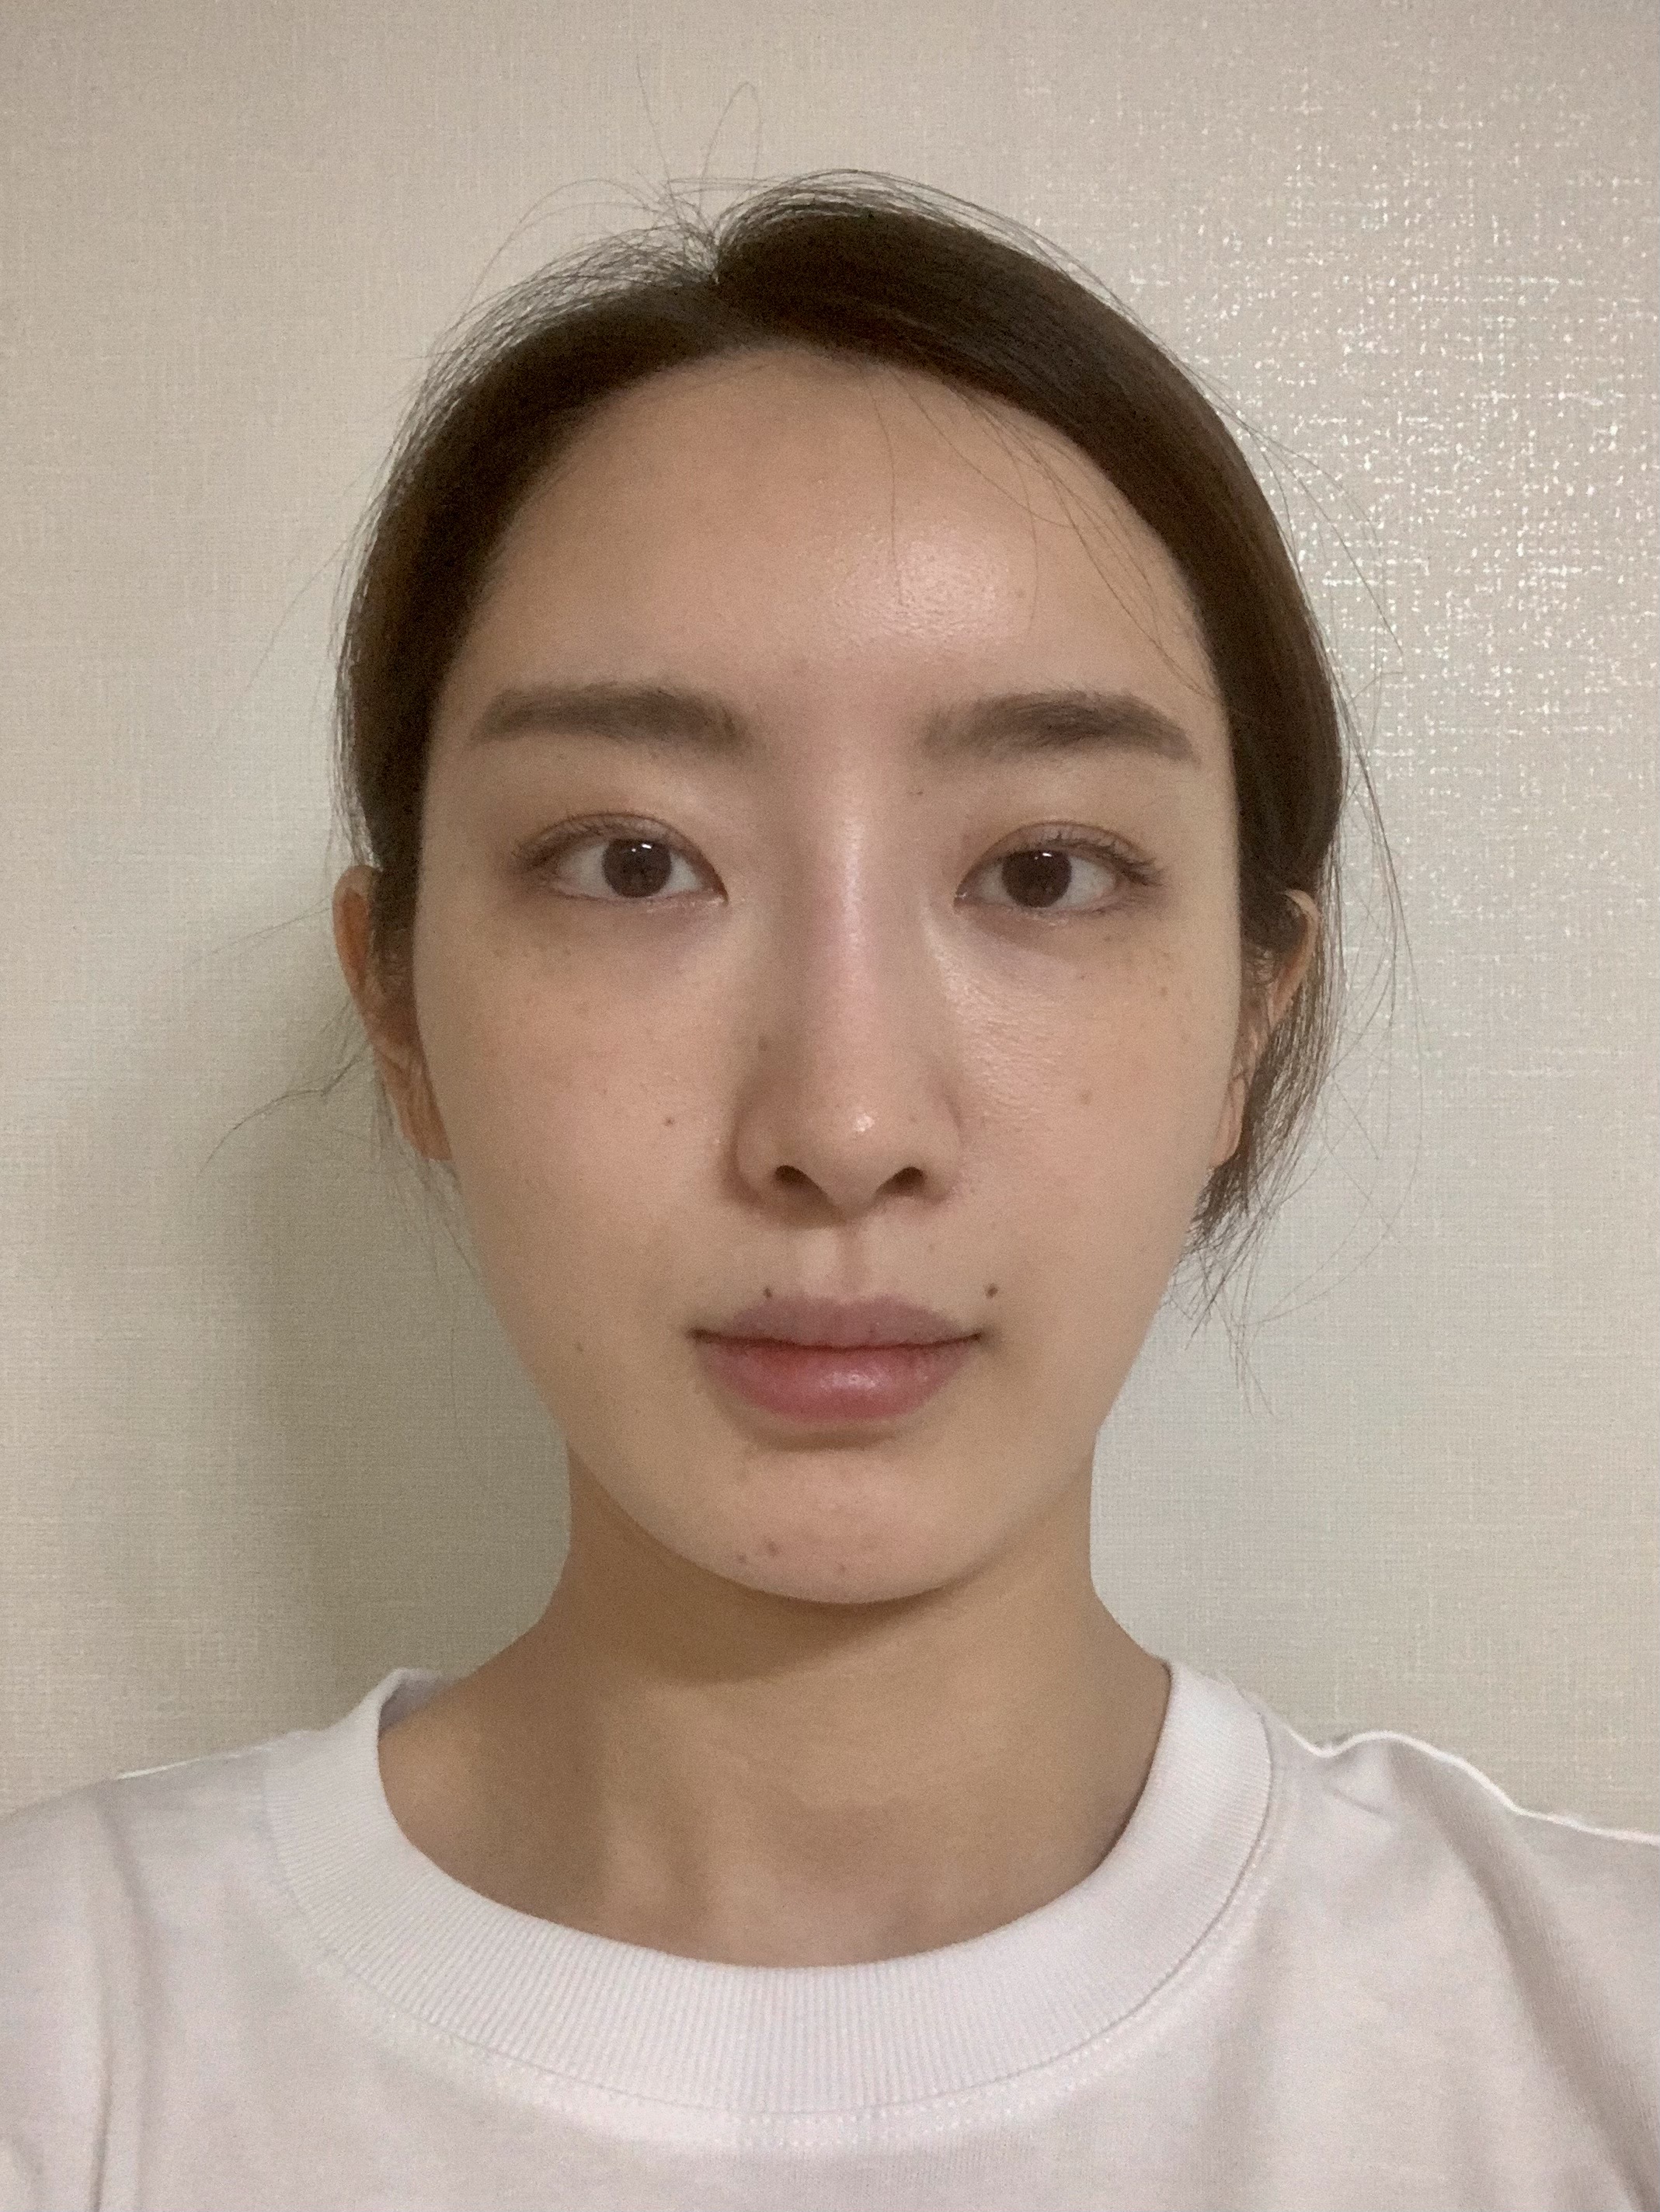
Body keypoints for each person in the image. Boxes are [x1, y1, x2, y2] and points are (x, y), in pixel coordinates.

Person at [0, 173, 1652, 2212]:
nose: (845, 1123)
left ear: (1250, 1017)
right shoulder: (63, 2041)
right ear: (399, 1007)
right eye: (633, 863)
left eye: (1042, 870)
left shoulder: (1590, 2044)